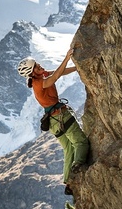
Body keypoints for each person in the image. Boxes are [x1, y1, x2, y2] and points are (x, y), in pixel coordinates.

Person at [17, 50, 89, 194]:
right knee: (81, 143)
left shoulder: (41, 76)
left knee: (69, 149)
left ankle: (68, 182)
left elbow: (59, 72)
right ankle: (76, 172)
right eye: (37, 67)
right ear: (32, 73)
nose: (40, 66)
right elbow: (55, 77)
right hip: (61, 117)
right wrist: (67, 58)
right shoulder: (39, 83)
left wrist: (77, 68)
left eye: (37, 64)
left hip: (53, 122)